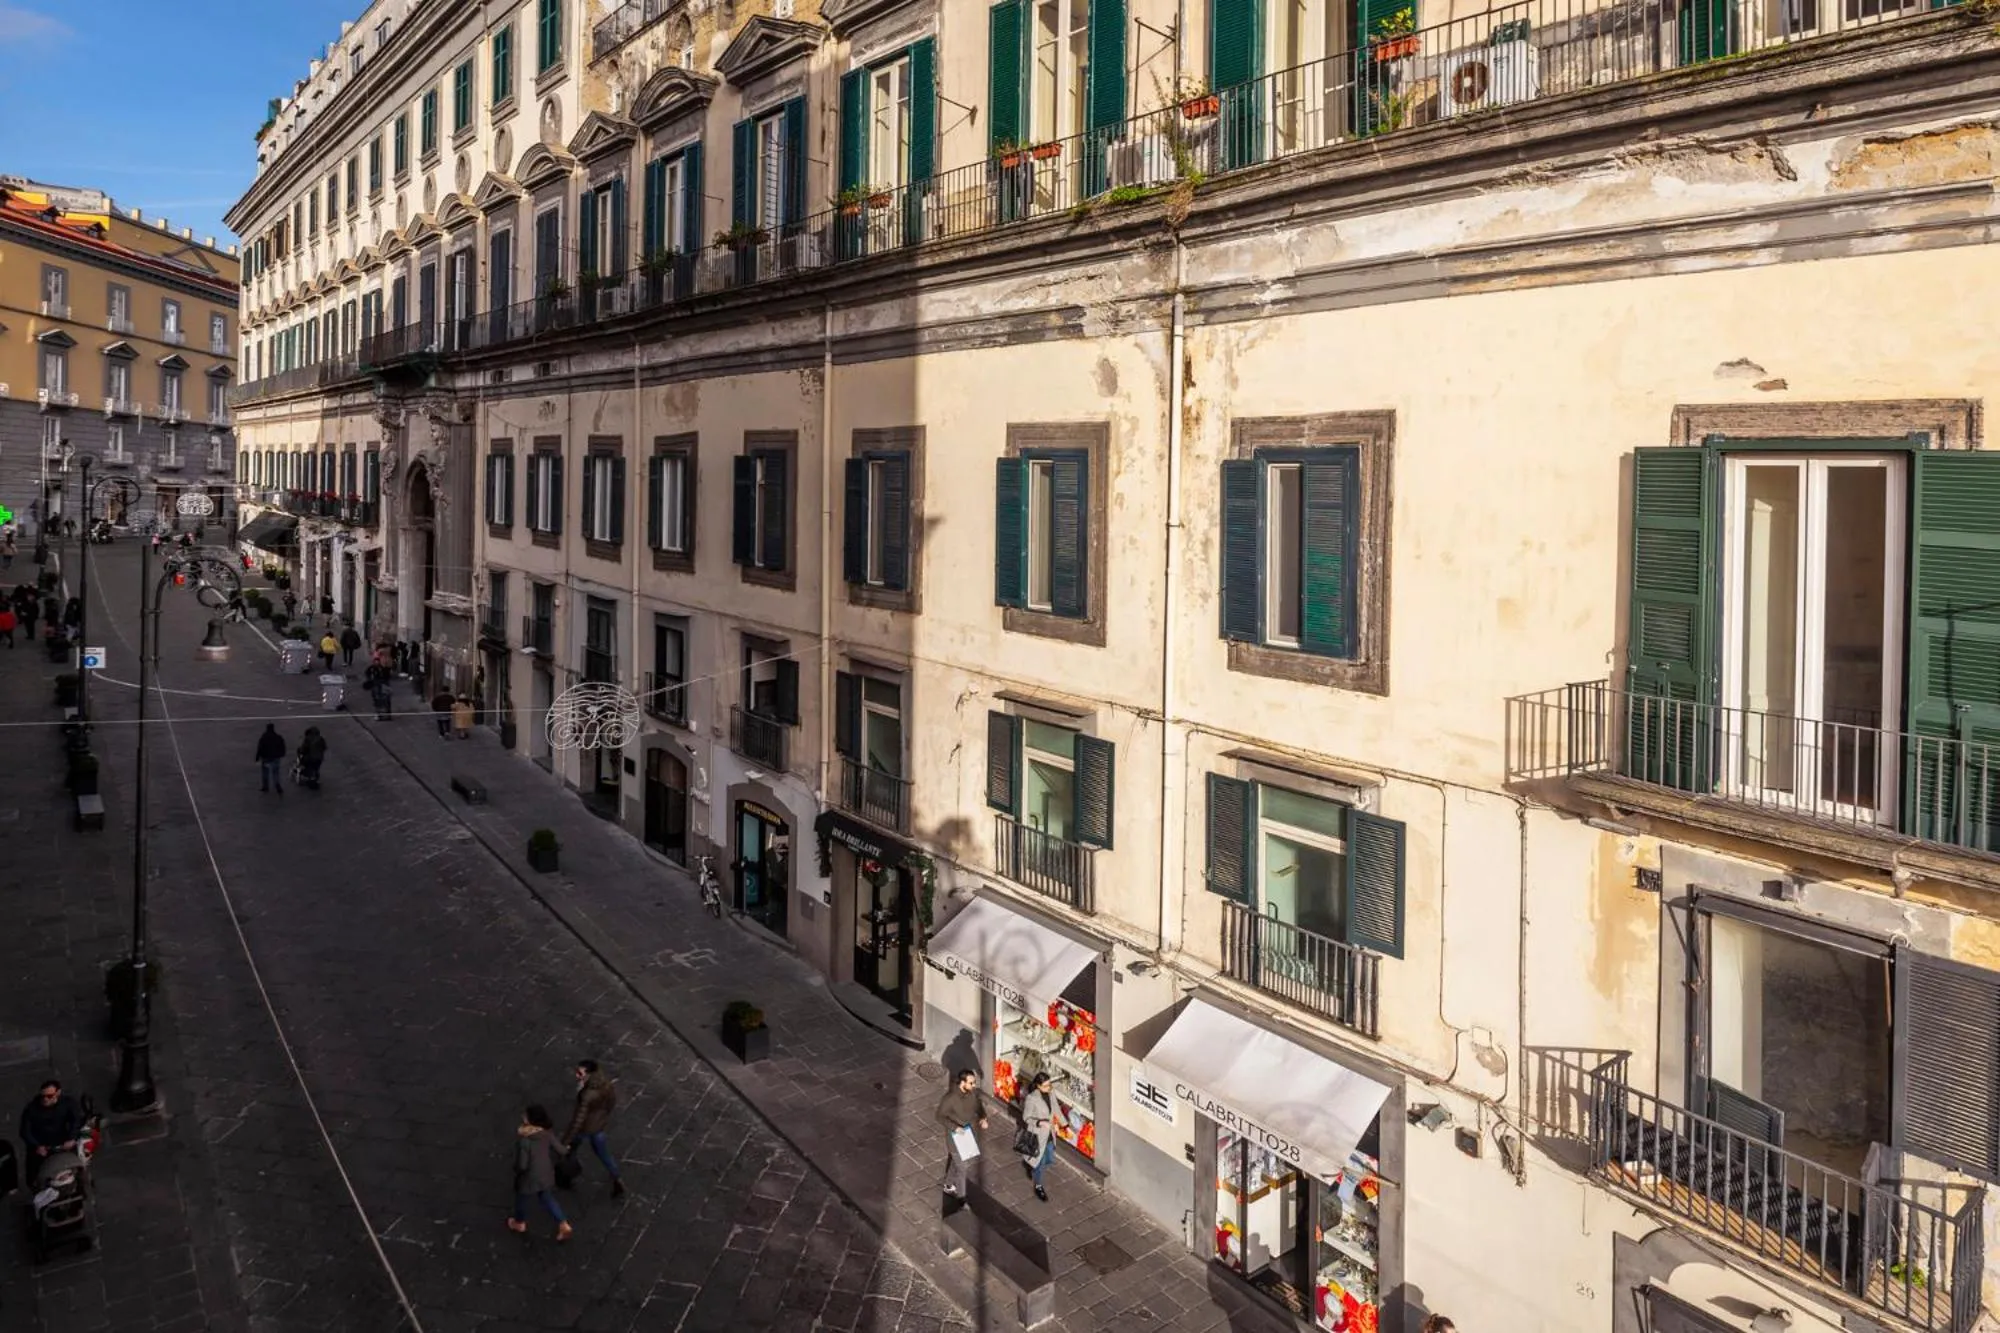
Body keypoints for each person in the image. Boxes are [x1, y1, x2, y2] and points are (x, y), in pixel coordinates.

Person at [508, 1105, 572, 1241]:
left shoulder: (525, 1140)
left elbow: (522, 1165)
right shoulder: (547, 1134)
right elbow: (562, 1150)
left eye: (525, 1115)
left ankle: (519, 1223)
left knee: (521, 1199)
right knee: (547, 1198)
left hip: (529, 1177)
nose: (522, 1117)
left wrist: (516, 1170)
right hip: (546, 1173)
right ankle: (563, 1224)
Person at [563, 1059, 626, 1198]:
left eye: (580, 1073)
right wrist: (603, 1117)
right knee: (604, 1155)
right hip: (599, 1126)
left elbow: (578, 1120)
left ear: (589, 1074)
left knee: (570, 1150)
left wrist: (566, 1140)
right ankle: (617, 1178)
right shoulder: (606, 1084)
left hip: (585, 1127)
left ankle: (566, 1176)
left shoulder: (587, 1094)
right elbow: (611, 1102)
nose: (577, 1076)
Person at [936, 1068, 988, 1204]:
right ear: (962, 1083)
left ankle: (948, 1184)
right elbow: (940, 1116)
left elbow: (979, 1107)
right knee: (962, 1168)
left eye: (974, 1082)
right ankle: (961, 1198)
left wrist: (983, 1117)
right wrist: (955, 1127)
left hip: (968, 1135)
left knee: (959, 1162)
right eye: (971, 1083)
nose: (974, 1085)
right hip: (955, 1137)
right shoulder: (950, 1098)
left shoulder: (972, 1094)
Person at [19, 1079, 84, 1161]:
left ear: (58, 1093)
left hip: (62, 1142)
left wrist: (71, 1138)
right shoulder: (31, 1109)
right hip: (40, 1146)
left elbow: (76, 1120)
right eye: (43, 1096)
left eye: (49, 1096)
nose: (45, 1099)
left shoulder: (67, 1103)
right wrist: (36, 1146)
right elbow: (25, 1131)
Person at [1018, 1070, 1058, 1203]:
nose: (1049, 1087)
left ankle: (1031, 1166)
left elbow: (1056, 1109)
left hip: (1050, 1134)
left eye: (1050, 1084)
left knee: (1049, 1158)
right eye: (1046, 1086)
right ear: (1038, 1086)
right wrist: (1040, 1122)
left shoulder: (1051, 1093)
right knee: (1040, 1163)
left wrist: (1065, 1125)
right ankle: (1038, 1185)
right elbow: (1026, 1117)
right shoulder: (1032, 1098)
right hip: (1038, 1135)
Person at [255, 723, 287, 795]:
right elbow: (282, 746)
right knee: (275, 772)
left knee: (265, 772)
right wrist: (281, 754)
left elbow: (260, 748)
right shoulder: (278, 737)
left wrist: (257, 757)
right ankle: (277, 785)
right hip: (275, 757)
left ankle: (265, 786)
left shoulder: (264, 737)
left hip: (266, 757)